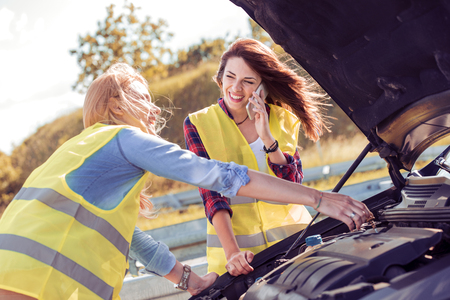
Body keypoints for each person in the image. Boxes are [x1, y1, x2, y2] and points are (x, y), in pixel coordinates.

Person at [0, 63, 369, 300]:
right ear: (116, 105)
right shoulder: (122, 139)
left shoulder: (77, 149)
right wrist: (320, 199)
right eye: (145, 98)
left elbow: (133, 240)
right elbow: (218, 176)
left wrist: (189, 281)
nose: (156, 109)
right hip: (38, 285)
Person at [184, 38, 335, 276]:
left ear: (261, 87)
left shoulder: (282, 119)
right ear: (220, 77)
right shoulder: (198, 124)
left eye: (248, 81)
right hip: (239, 257)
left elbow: (293, 185)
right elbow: (212, 195)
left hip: (295, 242)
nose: (235, 88)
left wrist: (267, 137)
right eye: (231, 77)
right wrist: (233, 253)